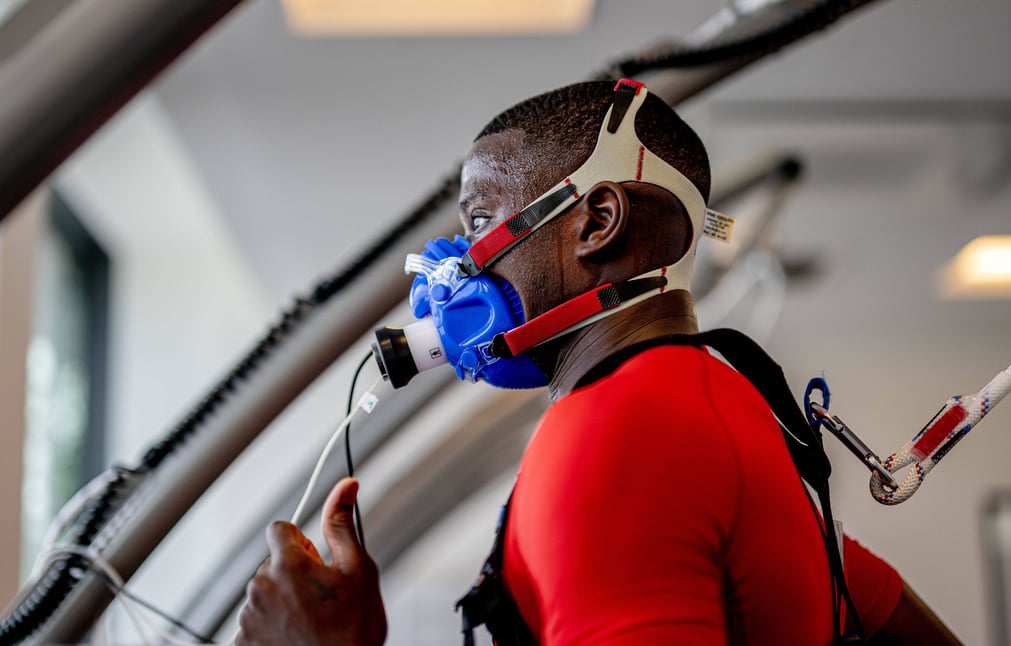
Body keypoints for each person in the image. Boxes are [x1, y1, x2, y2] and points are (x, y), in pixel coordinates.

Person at [236, 81, 960, 645]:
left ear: (596, 224)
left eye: (480, 219)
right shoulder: (735, 406)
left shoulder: (618, 434)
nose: (451, 264)